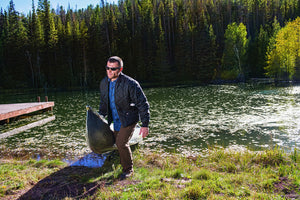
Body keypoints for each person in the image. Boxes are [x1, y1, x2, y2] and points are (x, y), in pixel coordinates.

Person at [99, 56, 150, 179]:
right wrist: (100, 116)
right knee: (117, 143)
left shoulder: (131, 84)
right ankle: (121, 162)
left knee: (121, 143)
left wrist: (145, 125)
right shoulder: (104, 83)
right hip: (115, 119)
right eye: (107, 68)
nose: (109, 71)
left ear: (120, 69)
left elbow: (142, 104)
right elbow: (103, 102)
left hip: (129, 118)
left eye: (113, 69)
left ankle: (128, 170)